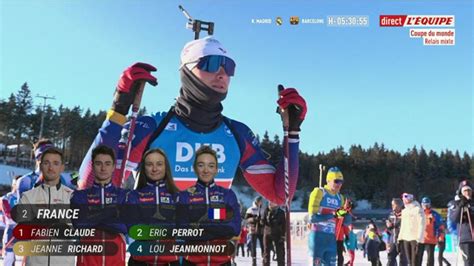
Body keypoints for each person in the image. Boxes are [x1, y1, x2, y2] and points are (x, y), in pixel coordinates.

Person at [78, 36, 307, 206]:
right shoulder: (152, 128)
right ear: (186, 71)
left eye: (228, 67)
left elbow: (281, 195)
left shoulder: (237, 134)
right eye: (210, 63)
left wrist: (293, 134)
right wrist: (118, 111)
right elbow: (90, 188)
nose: (221, 73)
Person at [176, 145, 241, 265]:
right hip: (192, 261)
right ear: (195, 168)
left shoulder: (227, 194)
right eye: (201, 165)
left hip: (222, 261)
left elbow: (234, 227)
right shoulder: (184, 196)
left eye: (211, 166)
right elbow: (181, 228)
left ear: (216, 169)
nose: (206, 170)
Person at [70, 145, 128, 266]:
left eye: (107, 164)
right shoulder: (80, 196)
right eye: (98, 163)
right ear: (93, 166)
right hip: (87, 260)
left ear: (113, 167)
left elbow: (124, 227)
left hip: (115, 259)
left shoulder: (123, 196)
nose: (103, 168)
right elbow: (79, 225)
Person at [18, 148, 74, 266]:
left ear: (62, 167)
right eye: (46, 163)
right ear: (41, 166)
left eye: (56, 163)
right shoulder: (28, 197)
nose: (51, 168)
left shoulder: (73, 197)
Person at [126, 148, 180, 265]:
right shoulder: (134, 196)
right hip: (139, 262)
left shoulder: (178, 197)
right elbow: (133, 229)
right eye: (149, 164)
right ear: (144, 168)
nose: (155, 169)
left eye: (159, 164)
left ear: (166, 167)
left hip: (170, 262)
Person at [308, 167, 352, 265]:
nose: (339, 184)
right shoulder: (319, 192)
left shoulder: (340, 198)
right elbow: (312, 218)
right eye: (336, 181)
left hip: (331, 239)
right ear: (328, 180)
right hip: (317, 238)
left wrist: (347, 213)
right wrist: (331, 215)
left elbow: (345, 222)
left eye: (341, 182)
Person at [449, 180, 474, 266]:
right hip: (466, 238)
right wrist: (461, 206)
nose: (467, 193)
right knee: (468, 262)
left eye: (469, 190)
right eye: (465, 191)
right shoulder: (455, 203)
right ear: (461, 192)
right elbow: (454, 219)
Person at [398, 193, 425, 266]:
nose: (403, 200)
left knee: (415, 262)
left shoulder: (418, 209)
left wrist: (419, 239)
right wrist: (399, 238)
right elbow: (403, 226)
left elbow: (421, 225)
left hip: (415, 239)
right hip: (406, 238)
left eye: (404, 198)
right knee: (409, 262)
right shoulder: (404, 211)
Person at [0, 175, 21, 266]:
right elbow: (8, 216)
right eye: (17, 183)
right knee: (8, 258)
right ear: (13, 184)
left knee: (20, 260)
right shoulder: (6, 198)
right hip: (11, 232)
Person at [418, 196, 442, 266]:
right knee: (418, 257)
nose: (425, 206)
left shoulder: (434, 214)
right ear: (421, 205)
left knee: (430, 258)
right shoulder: (419, 213)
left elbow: (440, 226)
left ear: (430, 204)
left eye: (427, 204)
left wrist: (440, 236)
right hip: (420, 239)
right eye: (424, 204)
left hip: (431, 239)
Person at [262, 201, 286, 266]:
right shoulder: (266, 210)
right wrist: (261, 220)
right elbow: (262, 222)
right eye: (269, 202)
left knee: (280, 253)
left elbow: (284, 225)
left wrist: (283, 236)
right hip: (267, 233)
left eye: (272, 201)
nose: (270, 203)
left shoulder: (281, 212)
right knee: (266, 253)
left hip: (278, 234)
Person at [386, 198, 408, 266]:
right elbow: (389, 229)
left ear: (399, 205)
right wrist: (389, 226)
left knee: (403, 261)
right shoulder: (391, 214)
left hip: (402, 241)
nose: (392, 206)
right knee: (390, 259)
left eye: (393, 205)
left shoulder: (405, 214)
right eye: (392, 205)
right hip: (393, 240)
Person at [246, 196, 265, 265]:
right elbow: (247, 219)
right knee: (253, 246)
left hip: (261, 230)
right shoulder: (251, 209)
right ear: (257, 201)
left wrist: (263, 221)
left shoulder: (263, 209)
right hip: (253, 230)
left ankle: (264, 259)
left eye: (261, 201)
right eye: (260, 201)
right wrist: (254, 219)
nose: (261, 202)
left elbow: (265, 219)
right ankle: (253, 261)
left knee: (263, 245)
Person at [336, 199, 352, 266]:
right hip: (333, 236)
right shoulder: (338, 211)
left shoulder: (345, 214)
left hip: (339, 238)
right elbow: (338, 213)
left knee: (340, 255)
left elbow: (345, 226)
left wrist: (347, 235)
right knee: (333, 254)